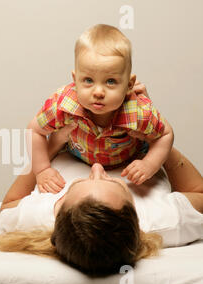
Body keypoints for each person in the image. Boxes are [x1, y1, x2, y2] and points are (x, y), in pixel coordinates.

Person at [0, 121, 203, 277]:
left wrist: (52, 146)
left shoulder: (41, 216)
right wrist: (157, 143)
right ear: (135, 213)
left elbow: (9, 204)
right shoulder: (163, 220)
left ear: (59, 210)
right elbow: (198, 191)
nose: (97, 168)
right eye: (113, 181)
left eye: (78, 183)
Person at [27, 24, 174, 194]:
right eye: (88, 80)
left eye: (110, 81)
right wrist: (42, 169)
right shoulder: (64, 104)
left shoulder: (138, 111)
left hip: (126, 161)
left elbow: (166, 134)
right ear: (75, 80)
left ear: (129, 85)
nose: (98, 92)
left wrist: (149, 163)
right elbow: (34, 130)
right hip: (78, 158)